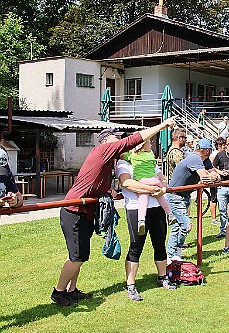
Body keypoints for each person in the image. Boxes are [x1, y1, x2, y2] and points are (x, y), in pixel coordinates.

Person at [51, 118, 175, 307]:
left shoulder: (109, 162)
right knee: (77, 256)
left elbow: (100, 181)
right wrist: (163, 125)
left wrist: (108, 190)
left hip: (85, 211)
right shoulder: (103, 150)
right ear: (107, 140)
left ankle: (71, 290)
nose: (119, 143)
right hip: (74, 209)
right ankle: (58, 292)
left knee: (80, 255)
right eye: (116, 139)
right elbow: (132, 141)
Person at [116, 143, 176, 301]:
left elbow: (162, 178)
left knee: (160, 243)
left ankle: (162, 277)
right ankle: (130, 285)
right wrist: (151, 189)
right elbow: (127, 183)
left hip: (156, 207)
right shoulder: (124, 163)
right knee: (136, 246)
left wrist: (162, 189)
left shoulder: (149, 159)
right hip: (136, 209)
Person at [166, 138, 220, 261]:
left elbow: (216, 176)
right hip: (175, 195)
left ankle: (173, 254)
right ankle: (172, 254)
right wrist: (212, 177)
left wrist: (213, 177)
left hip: (184, 195)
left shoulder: (205, 160)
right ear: (207, 150)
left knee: (178, 226)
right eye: (210, 150)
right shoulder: (194, 158)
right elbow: (205, 177)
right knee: (186, 225)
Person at [123, 140, 176, 235]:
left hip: (142, 181)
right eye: (148, 143)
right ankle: (170, 214)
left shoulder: (133, 156)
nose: (151, 145)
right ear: (143, 147)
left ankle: (141, 220)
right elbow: (155, 167)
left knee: (143, 201)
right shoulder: (151, 156)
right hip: (155, 181)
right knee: (162, 198)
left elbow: (122, 156)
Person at [213, 133, 229, 238]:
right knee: (222, 210)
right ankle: (223, 230)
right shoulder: (220, 155)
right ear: (228, 144)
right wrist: (220, 172)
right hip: (222, 186)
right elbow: (213, 167)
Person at [209, 137, 227, 226]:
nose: (224, 146)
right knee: (214, 198)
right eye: (223, 145)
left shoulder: (224, 154)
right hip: (215, 180)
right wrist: (220, 172)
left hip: (221, 179)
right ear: (219, 145)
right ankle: (214, 218)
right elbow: (212, 167)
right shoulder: (214, 154)